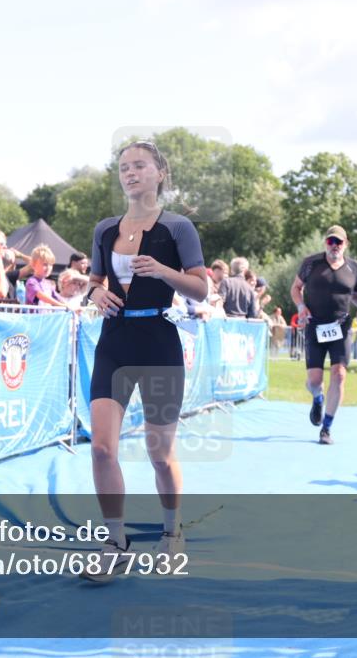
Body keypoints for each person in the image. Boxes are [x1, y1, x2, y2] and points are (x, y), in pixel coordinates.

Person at [81, 140, 207, 579]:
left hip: (159, 339)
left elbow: (200, 288)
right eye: (124, 167)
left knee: (159, 452)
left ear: (159, 173)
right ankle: (116, 543)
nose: (130, 173)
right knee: (100, 448)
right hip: (115, 340)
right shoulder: (105, 229)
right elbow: (94, 282)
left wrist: (163, 272)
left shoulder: (178, 228)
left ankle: (172, 531)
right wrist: (95, 292)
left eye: (139, 166)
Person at [290, 225, 357, 445]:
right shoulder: (311, 263)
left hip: (340, 328)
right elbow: (295, 288)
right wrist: (301, 307)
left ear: (346, 244)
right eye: (331, 241)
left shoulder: (354, 269)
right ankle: (317, 398)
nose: (335, 246)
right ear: (325, 243)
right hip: (315, 327)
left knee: (339, 375)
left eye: (338, 242)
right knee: (314, 381)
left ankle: (326, 428)